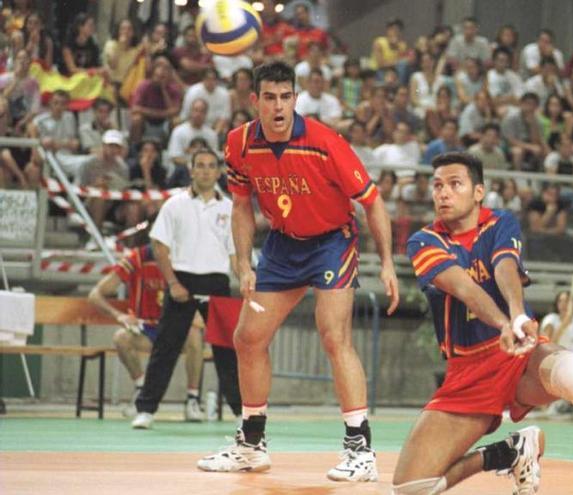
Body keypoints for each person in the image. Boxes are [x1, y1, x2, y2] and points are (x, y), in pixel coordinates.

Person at [391, 151, 573, 495]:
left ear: (478, 192)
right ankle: (509, 452)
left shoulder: (500, 223)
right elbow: (464, 288)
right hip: (468, 372)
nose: (443, 193)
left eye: (455, 184)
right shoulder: (424, 241)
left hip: (518, 357)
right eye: (437, 186)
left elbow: (504, 268)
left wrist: (518, 315)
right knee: (411, 489)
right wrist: (503, 325)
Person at [197, 61, 400, 482]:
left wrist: (387, 263)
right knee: (247, 337)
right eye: (269, 97)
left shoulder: (325, 142)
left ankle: (360, 449)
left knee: (333, 334)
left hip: (332, 243)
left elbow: (372, 200)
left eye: (286, 97)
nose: (278, 106)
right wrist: (242, 259)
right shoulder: (237, 145)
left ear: (295, 98)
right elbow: (240, 205)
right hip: (282, 246)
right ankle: (252, 444)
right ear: (254, 101)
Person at [130, 149, 242, 429]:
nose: (205, 171)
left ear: (219, 172)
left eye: (210, 166)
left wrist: (245, 282)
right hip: (182, 280)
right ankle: (146, 410)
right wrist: (173, 283)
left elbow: (234, 253)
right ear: (191, 171)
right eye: (200, 166)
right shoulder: (174, 204)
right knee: (166, 346)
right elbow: (159, 246)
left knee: (227, 350)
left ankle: (242, 413)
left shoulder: (229, 208)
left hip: (217, 282)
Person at [87, 244, 206, 421]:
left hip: (175, 329)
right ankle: (141, 389)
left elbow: (203, 298)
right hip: (147, 330)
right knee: (121, 338)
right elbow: (95, 295)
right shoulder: (137, 258)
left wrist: (198, 315)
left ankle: (192, 400)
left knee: (195, 336)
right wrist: (119, 316)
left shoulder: (187, 258)